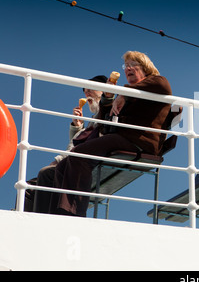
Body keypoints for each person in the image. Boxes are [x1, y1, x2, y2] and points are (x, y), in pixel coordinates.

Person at [48, 51, 172, 217]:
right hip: (122, 138)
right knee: (64, 165)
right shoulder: (129, 93)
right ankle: (55, 213)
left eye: (132, 64)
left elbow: (163, 86)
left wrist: (123, 94)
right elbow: (104, 122)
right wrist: (108, 98)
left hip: (140, 141)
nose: (128, 68)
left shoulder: (157, 82)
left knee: (79, 154)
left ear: (145, 67)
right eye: (125, 65)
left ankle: (73, 213)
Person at [26, 75, 109, 213]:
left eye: (91, 89)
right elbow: (79, 142)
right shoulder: (93, 118)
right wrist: (78, 127)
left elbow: (89, 142)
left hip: (84, 162)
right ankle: (24, 219)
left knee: (45, 174)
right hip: (73, 159)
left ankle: (42, 219)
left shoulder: (106, 111)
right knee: (28, 188)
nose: (87, 93)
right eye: (85, 91)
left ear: (103, 90)